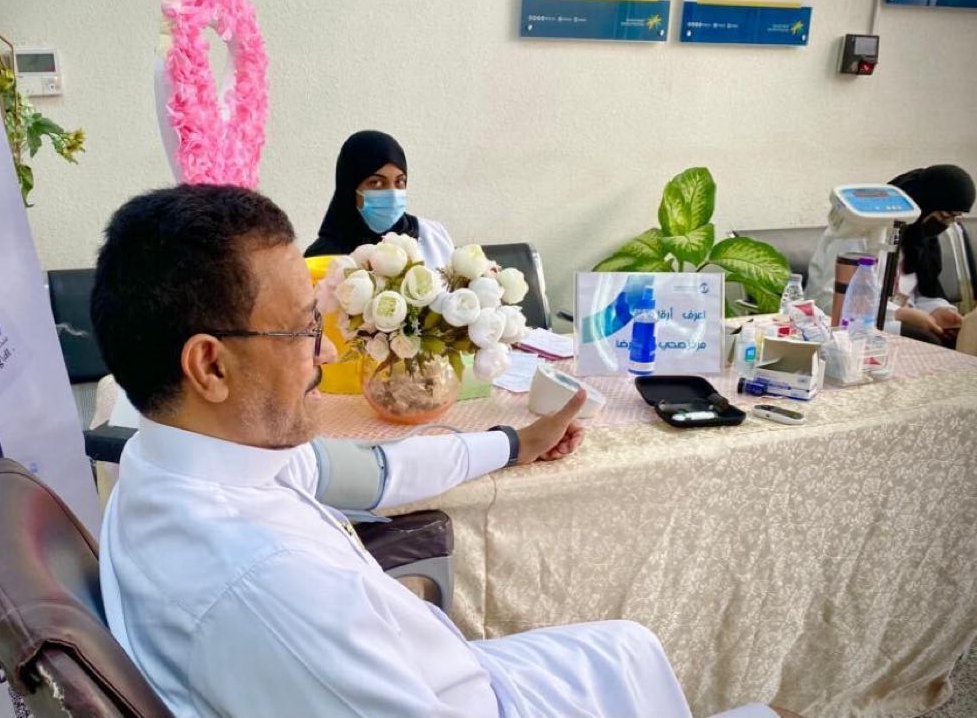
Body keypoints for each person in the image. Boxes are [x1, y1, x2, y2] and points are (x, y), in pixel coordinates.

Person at [92, 184, 801, 718]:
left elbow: (376, 471)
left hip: (444, 671)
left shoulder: (176, 458)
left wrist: (512, 442)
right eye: (306, 330)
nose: (328, 352)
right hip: (457, 694)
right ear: (210, 366)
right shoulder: (269, 588)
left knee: (629, 645)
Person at [807, 164, 975, 346]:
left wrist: (937, 310)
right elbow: (830, 302)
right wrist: (899, 313)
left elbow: (916, 293)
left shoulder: (918, 240)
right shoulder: (856, 232)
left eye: (954, 218)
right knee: (926, 340)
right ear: (925, 203)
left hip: (892, 318)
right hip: (847, 324)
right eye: (944, 215)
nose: (946, 225)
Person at [305, 130, 455, 268]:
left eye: (399, 181)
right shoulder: (320, 259)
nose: (392, 194)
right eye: (376, 183)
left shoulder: (432, 237)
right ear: (349, 189)